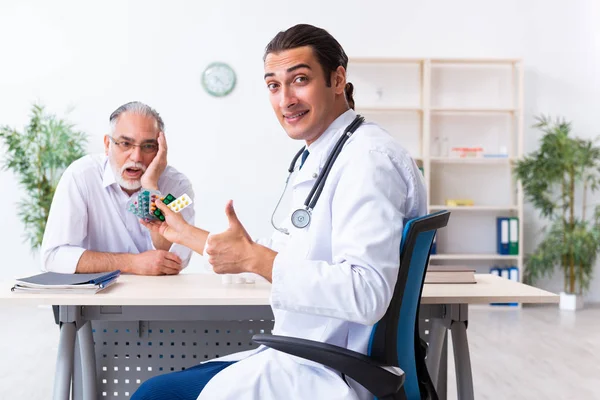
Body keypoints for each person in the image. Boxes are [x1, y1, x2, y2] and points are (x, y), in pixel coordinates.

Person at [132, 24, 426, 400]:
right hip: (310, 355)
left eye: (299, 79)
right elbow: (288, 252)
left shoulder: (367, 162)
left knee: (154, 395)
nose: (285, 99)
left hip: (334, 370)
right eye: (273, 85)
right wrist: (181, 233)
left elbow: (366, 292)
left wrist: (255, 258)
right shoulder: (329, 155)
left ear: (337, 80)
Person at [41, 101, 195, 275]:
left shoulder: (177, 186)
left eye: (148, 146)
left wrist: (151, 186)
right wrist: (131, 263)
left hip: (157, 297)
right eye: (125, 144)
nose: (136, 157)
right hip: (95, 298)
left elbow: (175, 260)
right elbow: (54, 257)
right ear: (107, 145)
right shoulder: (81, 176)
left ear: (160, 150)